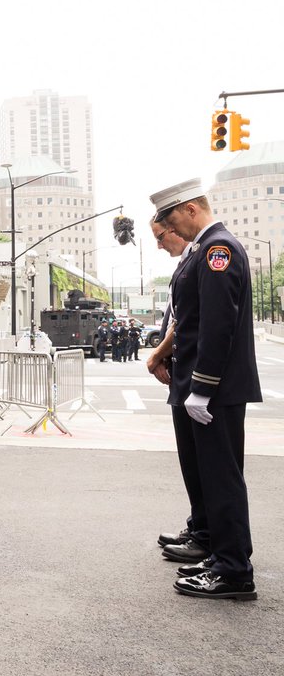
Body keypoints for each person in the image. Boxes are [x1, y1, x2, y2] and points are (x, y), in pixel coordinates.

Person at [148, 178, 260, 600]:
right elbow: (193, 320)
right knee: (212, 477)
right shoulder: (205, 249)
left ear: (192, 208)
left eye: (173, 219)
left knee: (222, 478)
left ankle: (233, 571)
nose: (173, 229)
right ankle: (223, 558)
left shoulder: (219, 249)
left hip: (216, 388)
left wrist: (203, 387)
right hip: (207, 385)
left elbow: (217, 325)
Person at [144, 219, 209, 563]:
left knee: (211, 468)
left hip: (200, 379)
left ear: (180, 221)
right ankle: (201, 526)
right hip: (183, 373)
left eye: (160, 236)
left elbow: (191, 323)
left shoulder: (209, 254)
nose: (158, 245)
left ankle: (215, 544)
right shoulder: (188, 261)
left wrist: (158, 353)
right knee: (193, 464)